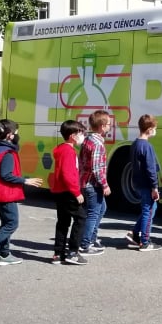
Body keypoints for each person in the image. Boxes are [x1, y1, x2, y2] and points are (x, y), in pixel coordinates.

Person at [0, 120, 43, 268]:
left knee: (6, 223)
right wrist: (26, 181)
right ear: (10, 135)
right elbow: (6, 175)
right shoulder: (8, 153)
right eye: (16, 132)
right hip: (5, 191)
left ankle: (4, 254)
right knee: (12, 223)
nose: (17, 135)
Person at [49, 119, 89, 265]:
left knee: (63, 222)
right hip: (68, 191)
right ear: (73, 135)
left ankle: (58, 253)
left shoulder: (62, 149)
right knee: (81, 218)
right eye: (81, 133)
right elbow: (67, 174)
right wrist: (76, 192)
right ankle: (73, 251)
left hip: (60, 191)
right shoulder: (68, 151)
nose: (83, 136)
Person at [79, 110, 112, 256]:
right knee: (93, 213)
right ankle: (85, 244)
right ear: (102, 126)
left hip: (86, 181)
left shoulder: (87, 140)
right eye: (109, 124)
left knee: (101, 208)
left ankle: (91, 238)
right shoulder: (98, 144)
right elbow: (97, 168)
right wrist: (104, 184)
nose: (110, 126)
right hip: (93, 184)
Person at [126, 114, 161, 251]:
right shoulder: (147, 147)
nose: (155, 131)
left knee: (152, 209)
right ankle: (145, 241)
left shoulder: (135, 144)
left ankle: (135, 232)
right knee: (149, 210)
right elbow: (150, 169)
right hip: (147, 184)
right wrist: (154, 187)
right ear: (149, 129)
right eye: (154, 128)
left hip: (138, 182)